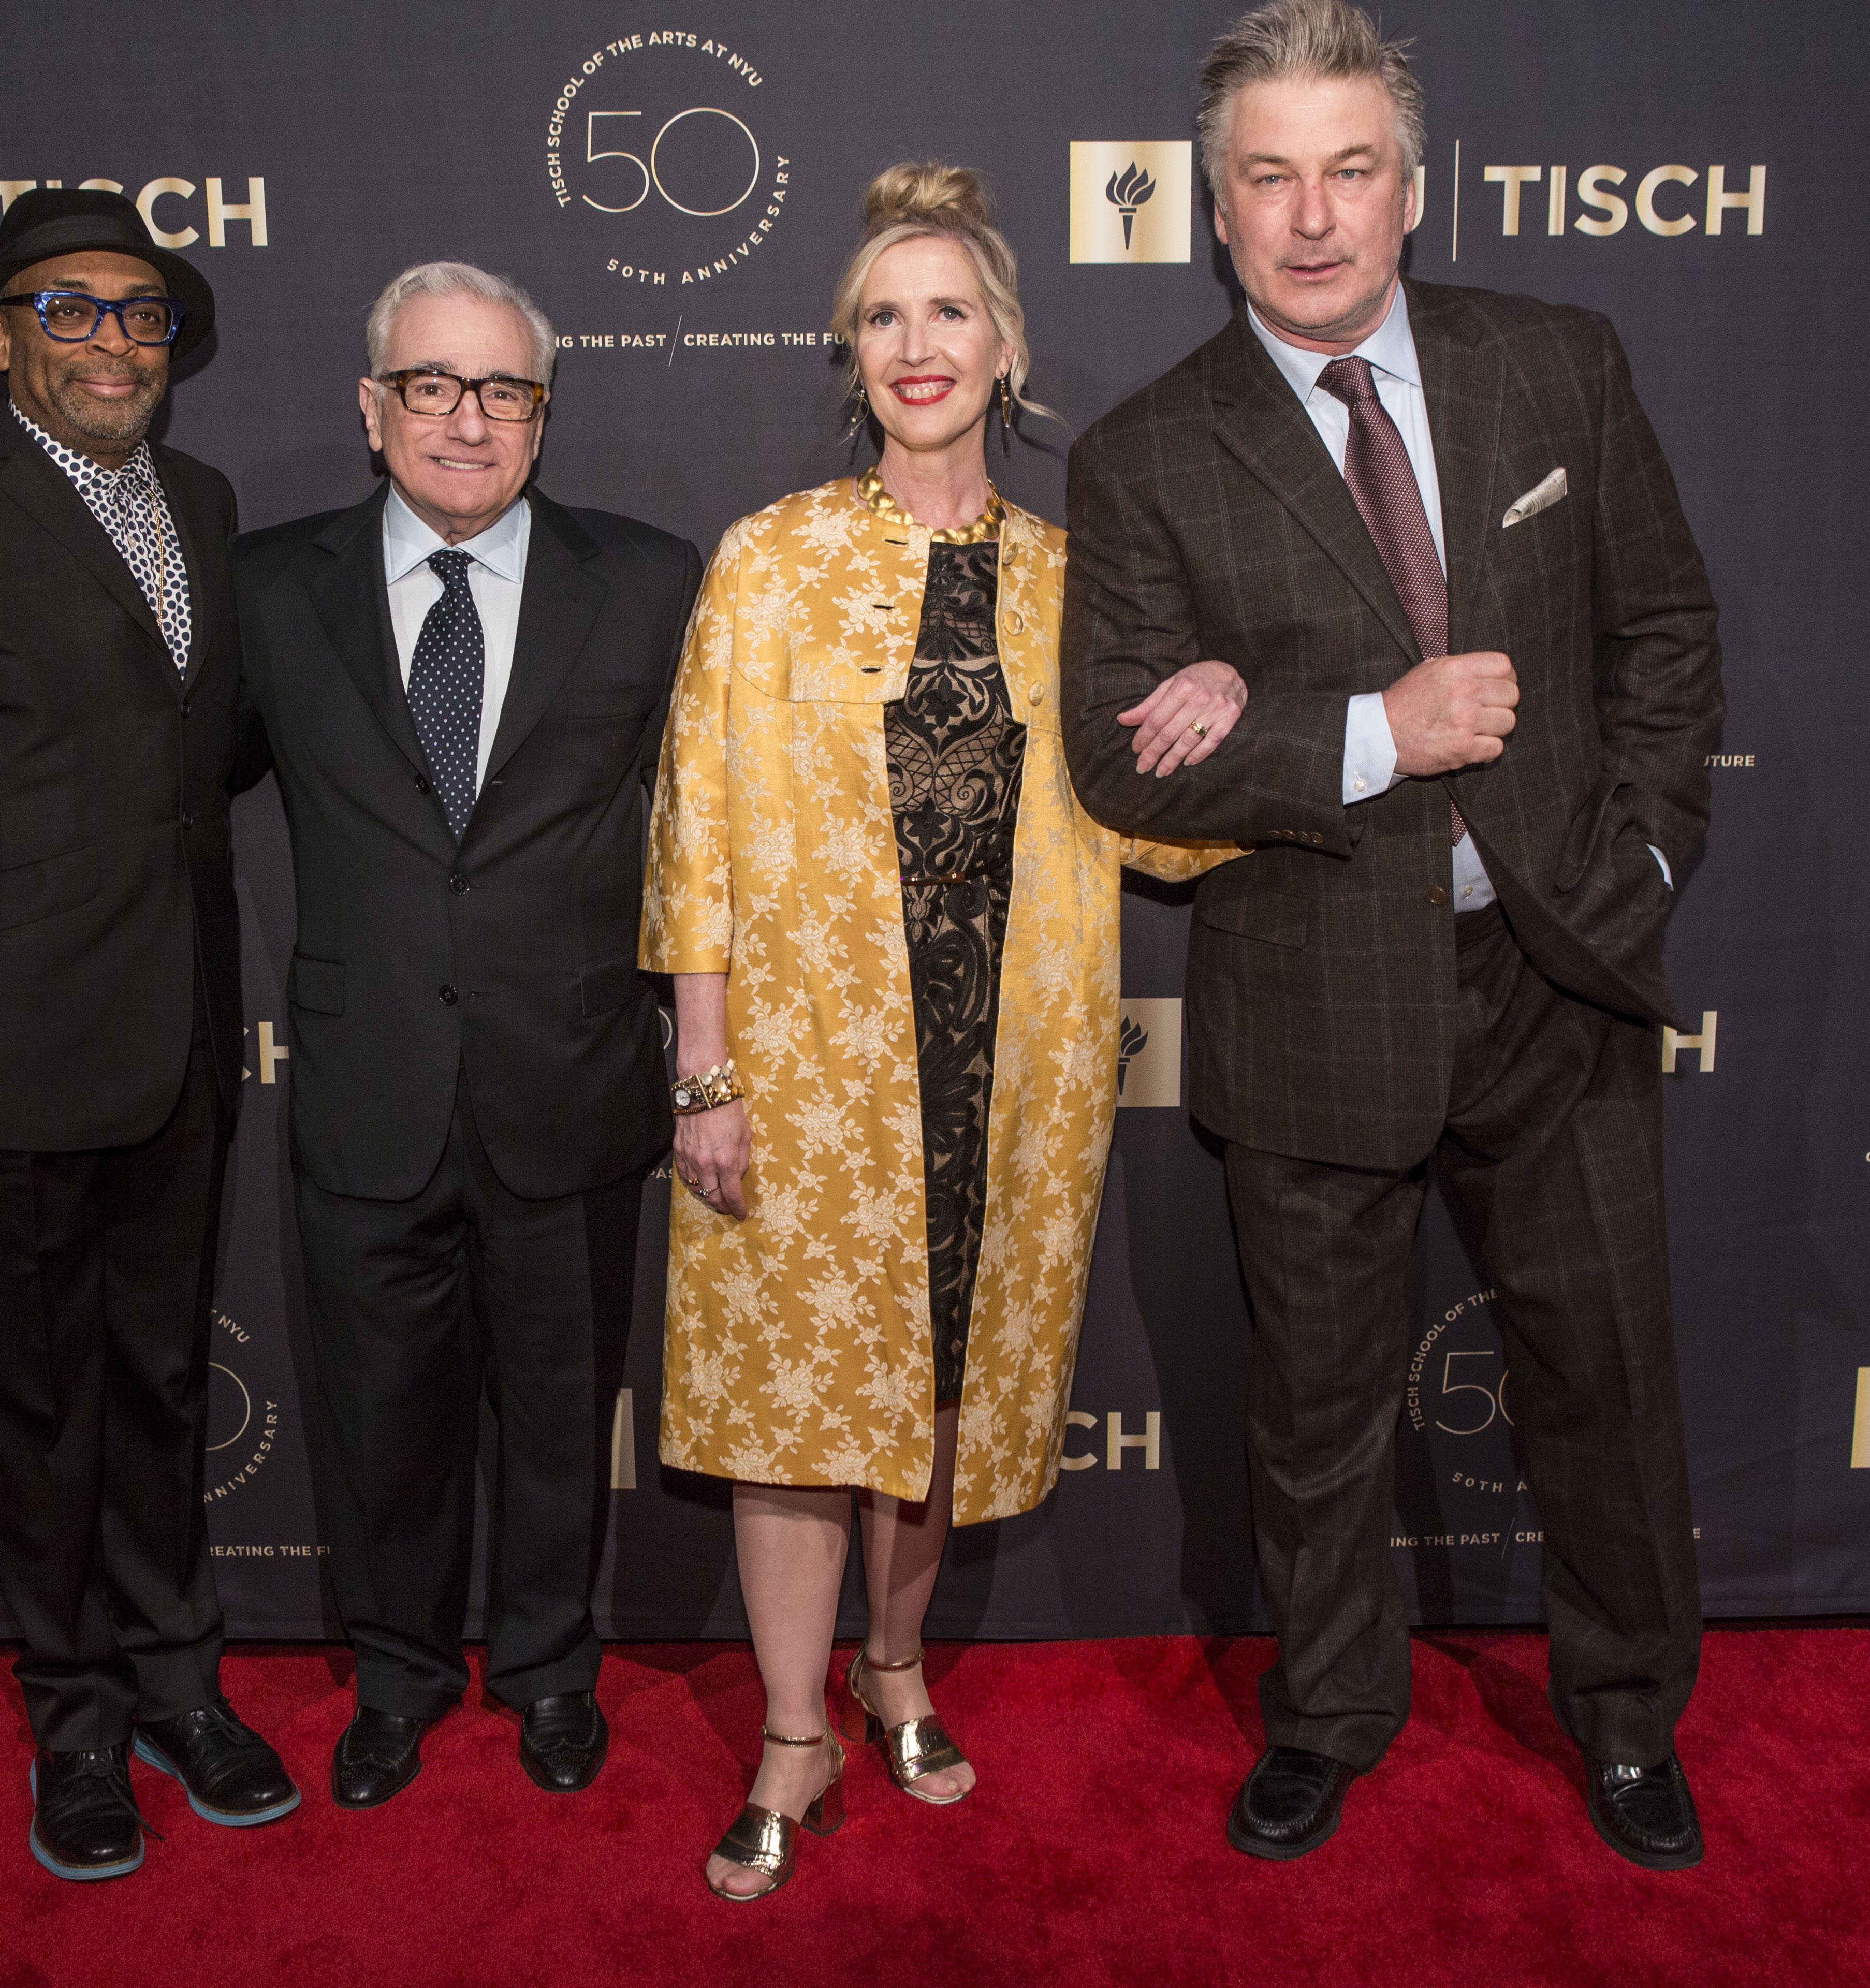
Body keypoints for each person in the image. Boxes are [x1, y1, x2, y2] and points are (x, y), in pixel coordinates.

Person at [1060, 0, 1727, 1873]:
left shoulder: (1558, 362)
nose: (1313, 216)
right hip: (1313, 997)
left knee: (1607, 1385)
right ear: (1215, 209)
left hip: (1556, 974)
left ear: (1411, 190)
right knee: (1320, 1412)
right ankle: (1330, 1716)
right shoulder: (1145, 452)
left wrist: (1641, 862)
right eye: (1270, 178)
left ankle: (1627, 1723)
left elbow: (1667, 636)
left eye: (1350, 170)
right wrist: (1376, 731)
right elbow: (1118, 757)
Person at [643, 164, 1245, 1903]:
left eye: (950, 312)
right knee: (796, 1414)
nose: (919, 345)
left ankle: (894, 1673)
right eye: (885, 317)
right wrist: (706, 1069)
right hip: (806, 1070)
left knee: (940, 1401)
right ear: (852, 353)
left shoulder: (1078, 580)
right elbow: (697, 829)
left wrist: (1224, 693)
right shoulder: (770, 559)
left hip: (1012, 1069)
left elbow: (1166, 826)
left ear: (1007, 347)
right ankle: (791, 1732)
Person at [0, 188, 297, 1883]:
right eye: (70, 308)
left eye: (142, 313)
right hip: (2, 1055)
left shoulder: (204, 504)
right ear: (4, 337)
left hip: (181, 1041)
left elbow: (200, 752)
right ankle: (76, 1722)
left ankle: (181, 1684)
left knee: (163, 1382)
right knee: (38, 1405)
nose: (113, 341)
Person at [232, 263, 703, 1813]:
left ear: (543, 417)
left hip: (569, 1079)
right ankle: (399, 1675)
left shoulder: (648, 581)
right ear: (372, 410)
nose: (467, 419)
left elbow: (723, 817)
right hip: (366, 1082)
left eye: (503, 391)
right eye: (430, 386)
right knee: (380, 1419)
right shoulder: (269, 588)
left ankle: (553, 1669)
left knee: (564, 1415)